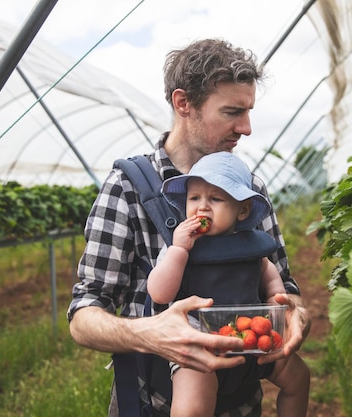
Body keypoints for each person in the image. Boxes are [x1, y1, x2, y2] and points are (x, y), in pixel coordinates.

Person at [68, 38, 311, 417]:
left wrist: (295, 313)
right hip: (155, 402)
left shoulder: (251, 192)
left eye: (248, 111)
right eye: (232, 112)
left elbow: (282, 286)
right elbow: (84, 313)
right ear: (184, 104)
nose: (245, 128)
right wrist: (149, 333)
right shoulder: (128, 187)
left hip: (242, 401)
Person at [147, 151, 310, 417]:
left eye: (216, 198)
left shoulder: (251, 246)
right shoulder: (180, 247)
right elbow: (159, 292)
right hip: (200, 346)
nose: (202, 207)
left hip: (254, 339)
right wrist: (179, 251)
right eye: (194, 198)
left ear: (243, 209)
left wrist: (275, 300)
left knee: (299, 378)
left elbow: (268, 275)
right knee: (191, 409)